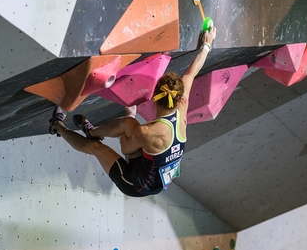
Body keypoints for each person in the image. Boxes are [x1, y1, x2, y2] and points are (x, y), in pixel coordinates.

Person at [49, 26, 216, 197]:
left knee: (97, 147)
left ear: (155, 96)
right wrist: (206, 46)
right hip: (151, 162)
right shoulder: (181, 105)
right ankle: (92, 131)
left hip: (138, 183)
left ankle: (57, 125)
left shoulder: (148, 132)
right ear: (178, 96)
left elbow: (126, 149)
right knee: (128, 124)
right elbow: (191, 74)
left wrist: (131, 114)